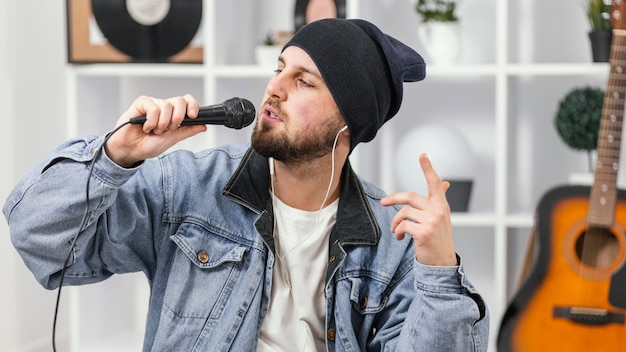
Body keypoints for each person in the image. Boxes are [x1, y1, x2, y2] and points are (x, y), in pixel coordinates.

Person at [4, 18, 489, 351]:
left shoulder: (393, 238)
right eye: (279, 68)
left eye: (305, 81)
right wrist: (114, 157)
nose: (274, 88)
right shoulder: (188, 189)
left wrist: (440, 273)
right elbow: (39, 240)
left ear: (349, 122)